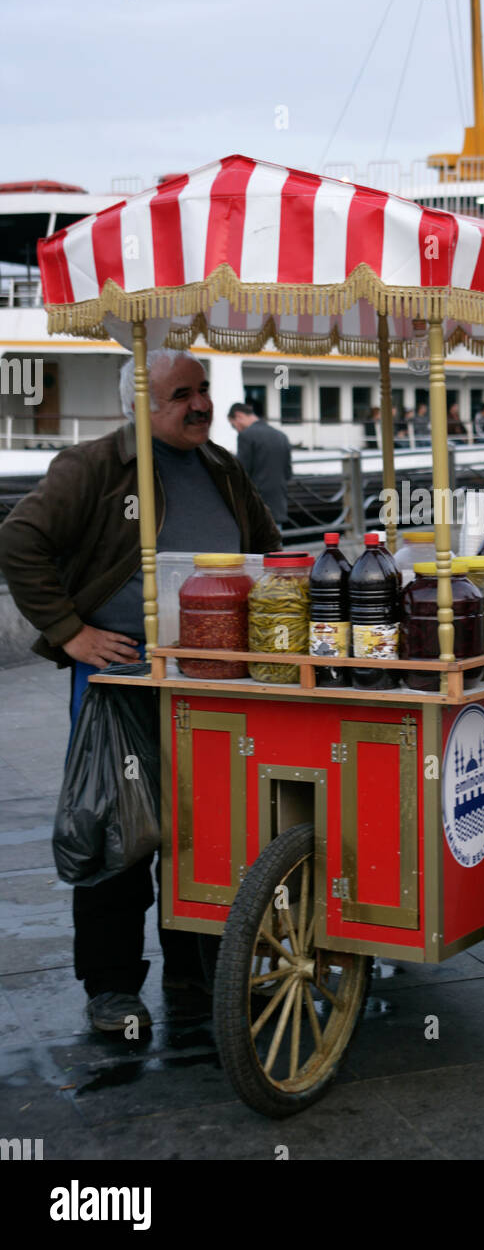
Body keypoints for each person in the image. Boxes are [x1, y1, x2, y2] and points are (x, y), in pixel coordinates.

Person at [0, 350, 280, 1034]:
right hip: (120, 682)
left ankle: (195, 968)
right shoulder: (94, 466)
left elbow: (267, 548)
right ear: (138, 405)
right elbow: (19, 541)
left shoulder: (222, 465)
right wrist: (71, 633)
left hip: (210, 684)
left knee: (209, 828)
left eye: (204, 389)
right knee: (117, 829)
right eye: (180, 393)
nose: (201, 403)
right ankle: (112, 987)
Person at [227, 402, 292, 528]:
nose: (236, 429)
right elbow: (288, 473)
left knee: (254, 546)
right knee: (276, 545)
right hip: (278, 503)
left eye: (233, 426)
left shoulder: (246, 435)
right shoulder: (281, 436)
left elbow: (242, 472)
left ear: (238, 416)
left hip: (255, 506)